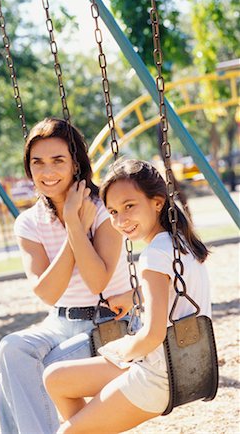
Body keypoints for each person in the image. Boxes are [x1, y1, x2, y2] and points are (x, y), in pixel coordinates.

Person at [43, 158, 211, 434]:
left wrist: (121, 349)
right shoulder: (179, 241)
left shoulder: (153, 256)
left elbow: (152, 335)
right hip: (176, 362)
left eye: (129, 206)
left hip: (158, 376)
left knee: (67, 432)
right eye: (112, 211)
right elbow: (175, 292)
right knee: (55, 379)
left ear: (157, 202)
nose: (121, 220)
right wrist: (134, 296)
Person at [0, 118, 134, 434]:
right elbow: (47, 292)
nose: (47, 172)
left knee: (10, 380)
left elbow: (97, 281)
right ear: (29, 169)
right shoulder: (29, 223)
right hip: (58, 323)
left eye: (58, 160)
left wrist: (74, 224)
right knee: (10, 349)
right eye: (38, 163)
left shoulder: (104, 208)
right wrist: (73, 224)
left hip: (106, 324)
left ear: (76, 163)